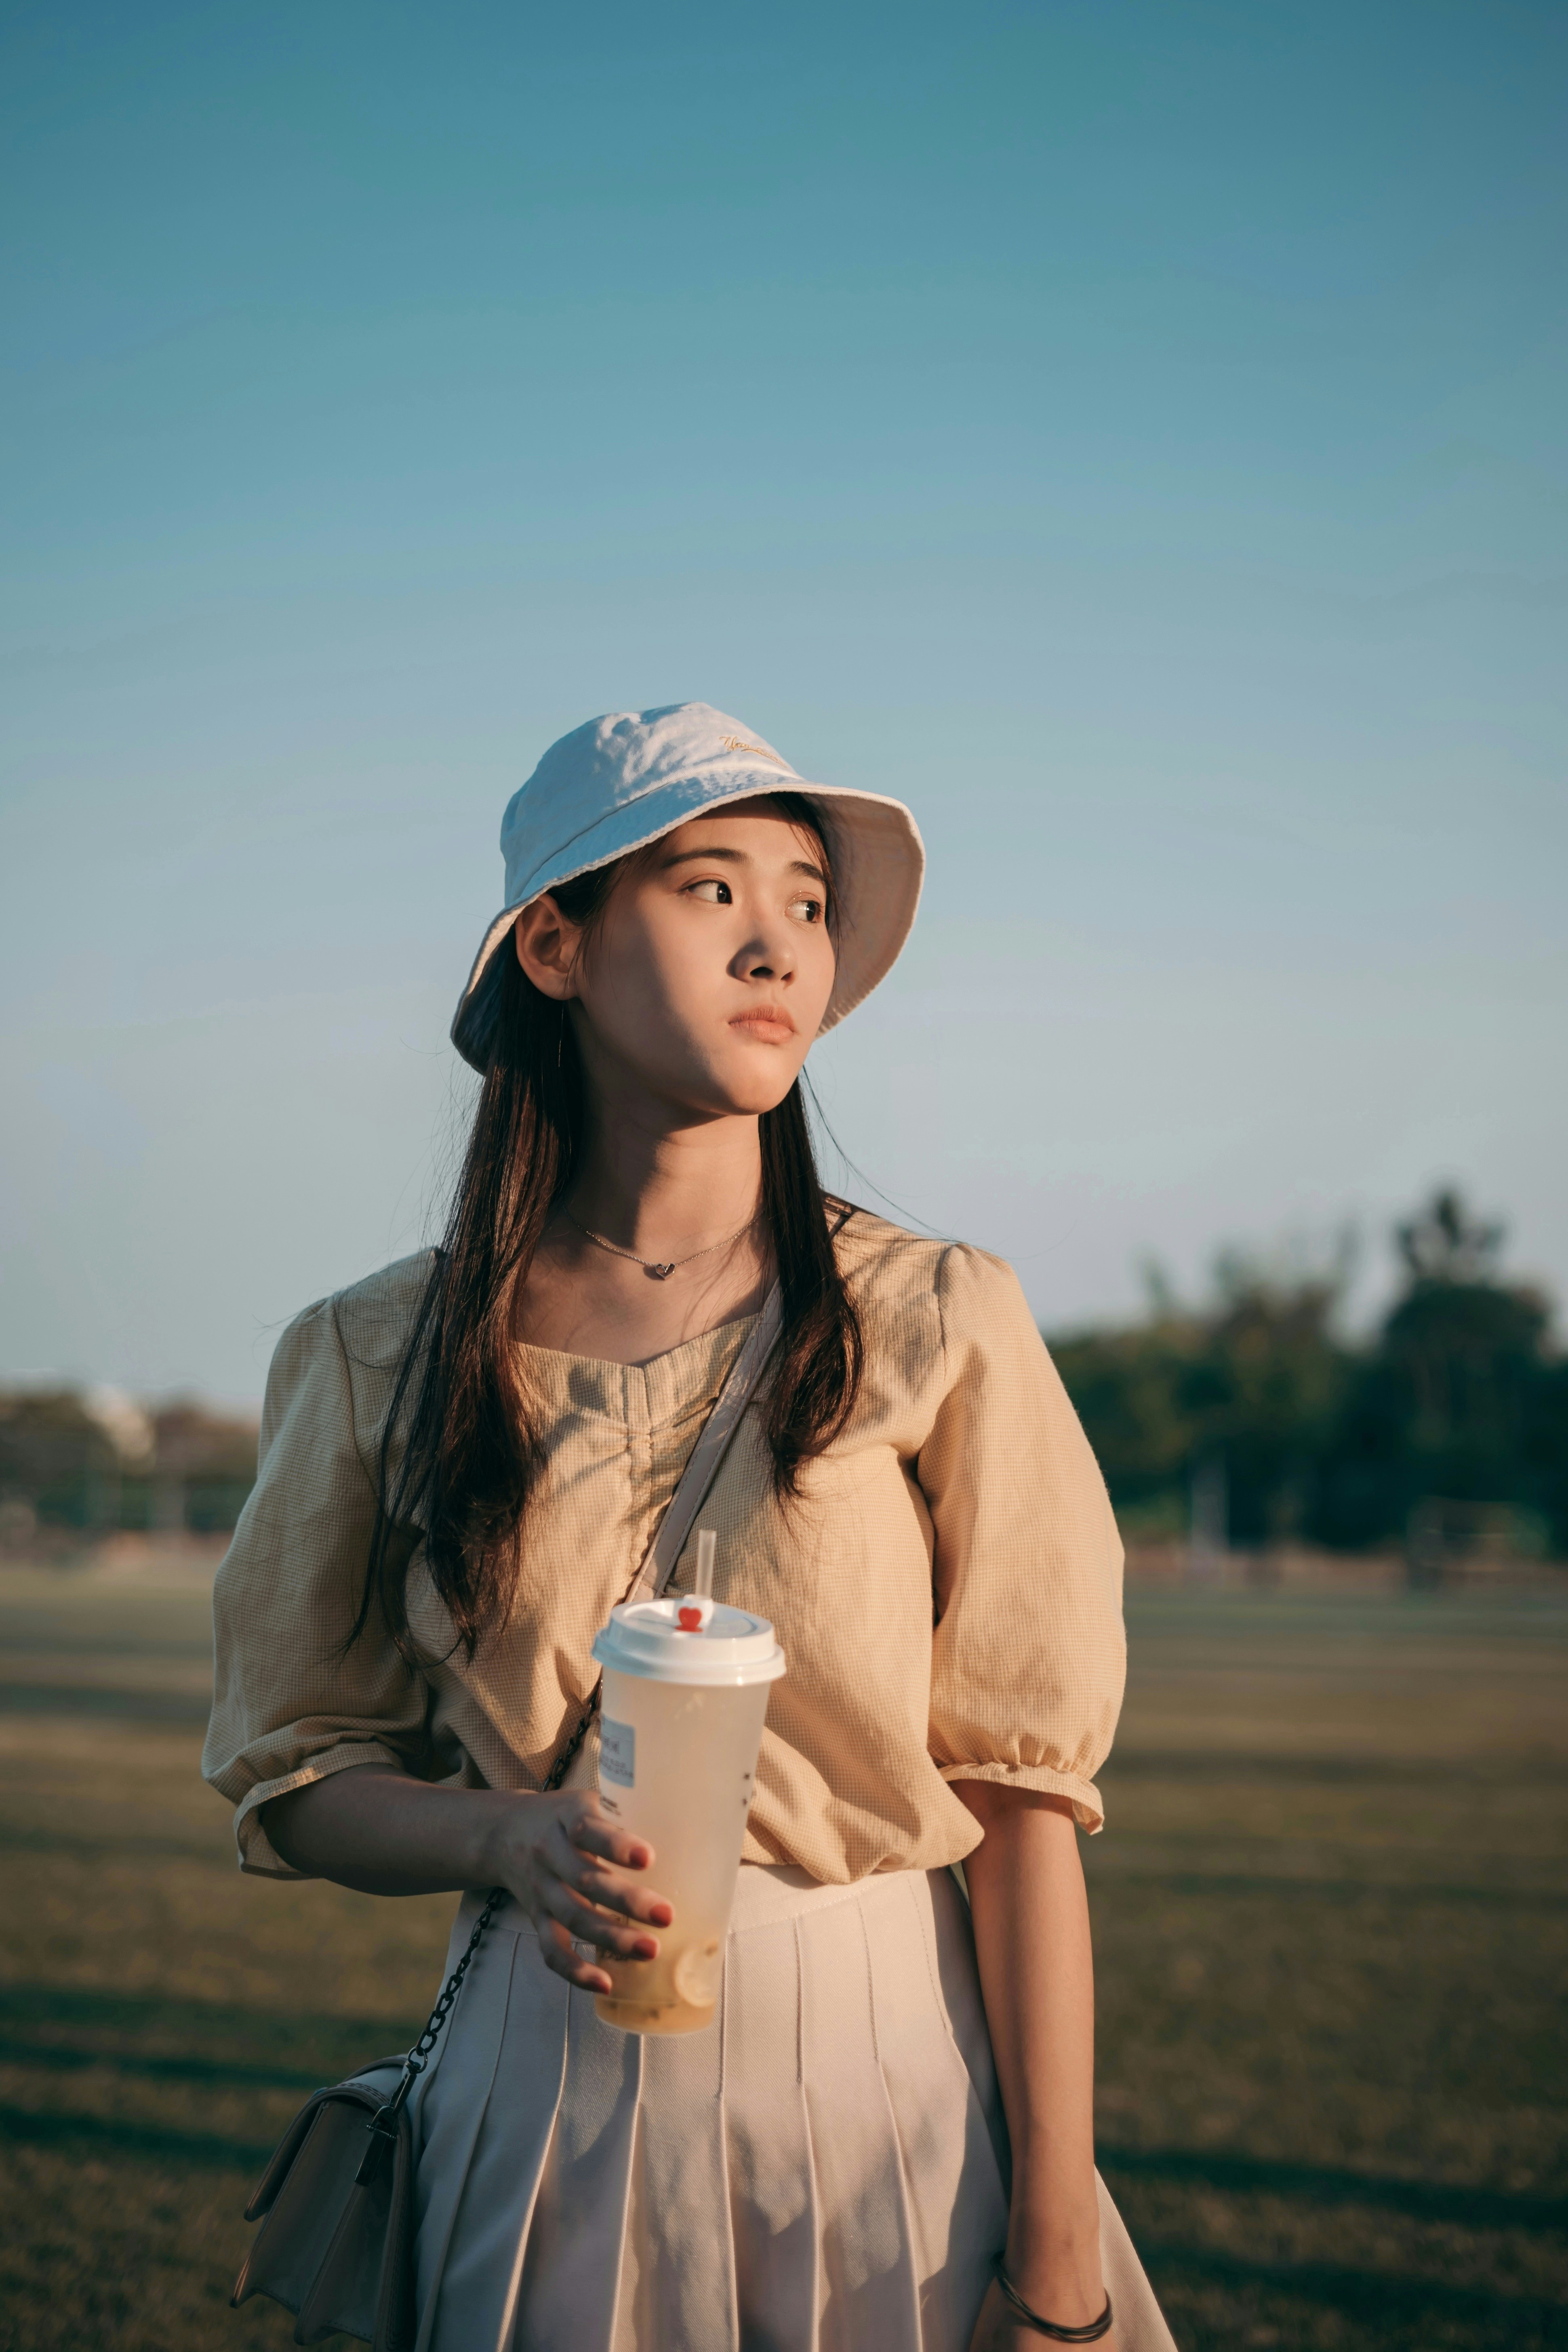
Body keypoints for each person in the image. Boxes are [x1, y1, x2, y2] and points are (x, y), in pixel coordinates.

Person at [203, 703, 1177, 2352]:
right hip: (540, 2102)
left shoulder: (934, 1318)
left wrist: (1059, 2252)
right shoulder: (377, 1351)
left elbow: (1021, 1803)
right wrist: (499, 1839)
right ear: (556, 944)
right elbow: (296, 1773)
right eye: (710, 888)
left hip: (891, 2105)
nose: (776, 943)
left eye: (805, 902)